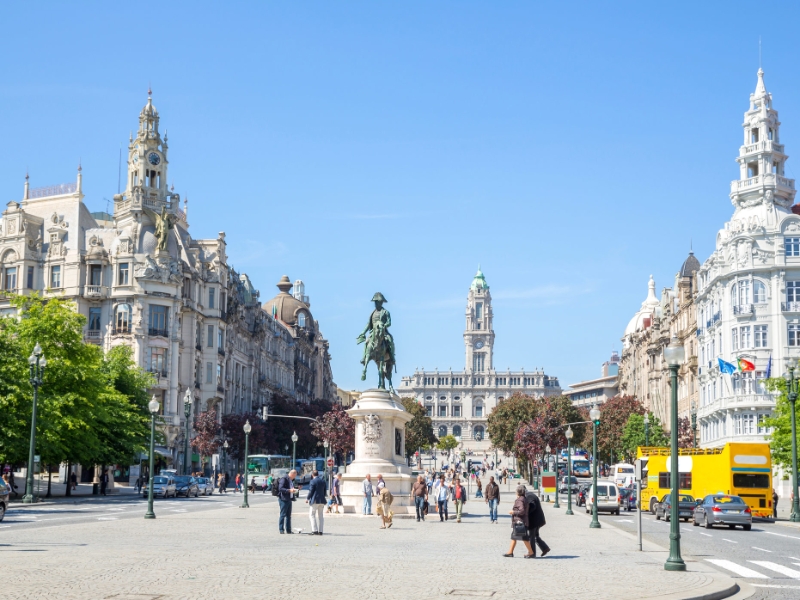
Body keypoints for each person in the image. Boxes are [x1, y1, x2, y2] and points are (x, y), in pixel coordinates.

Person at [504, 485, 534, 558]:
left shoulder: (520, 500)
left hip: (520, 522)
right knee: (514, 536)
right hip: (522, 521)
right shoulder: (524, 499)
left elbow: (522, 511)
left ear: (518, 492)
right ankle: (510, 552)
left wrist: (513, 512)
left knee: (523, 537)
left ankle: (531, 552)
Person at [526, 489, 550, 557]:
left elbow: (532, 505)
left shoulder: (529, 496)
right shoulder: (530, 494)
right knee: (535, 535)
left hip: (534, 520)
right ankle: (545, 548)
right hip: (538, 519)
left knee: (531, 536)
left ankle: (532, 553)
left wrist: (527, 513)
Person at [278, 469, 300, 534]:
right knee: (283, 514)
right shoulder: (284, 479)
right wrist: (289, 490)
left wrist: (296, 489)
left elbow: (291, 488)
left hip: (289, 499)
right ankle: (281, 529)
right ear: (293, 474)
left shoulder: (290, 480)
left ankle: (288, 530)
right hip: (283, 499)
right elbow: (280, 488)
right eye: (295, 475)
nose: (295, 477)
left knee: (288, 515)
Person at [305, 470, 327, 535]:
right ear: (318, 474)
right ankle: (321, 531)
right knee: (321, 516)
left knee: (312, 515)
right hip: (322, 500)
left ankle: (314, 530)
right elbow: (324, 491)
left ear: (312, 475)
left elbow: (311, 491)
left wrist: (307, 498)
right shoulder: (323, 481)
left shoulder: (313, 481)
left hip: (315, 500)